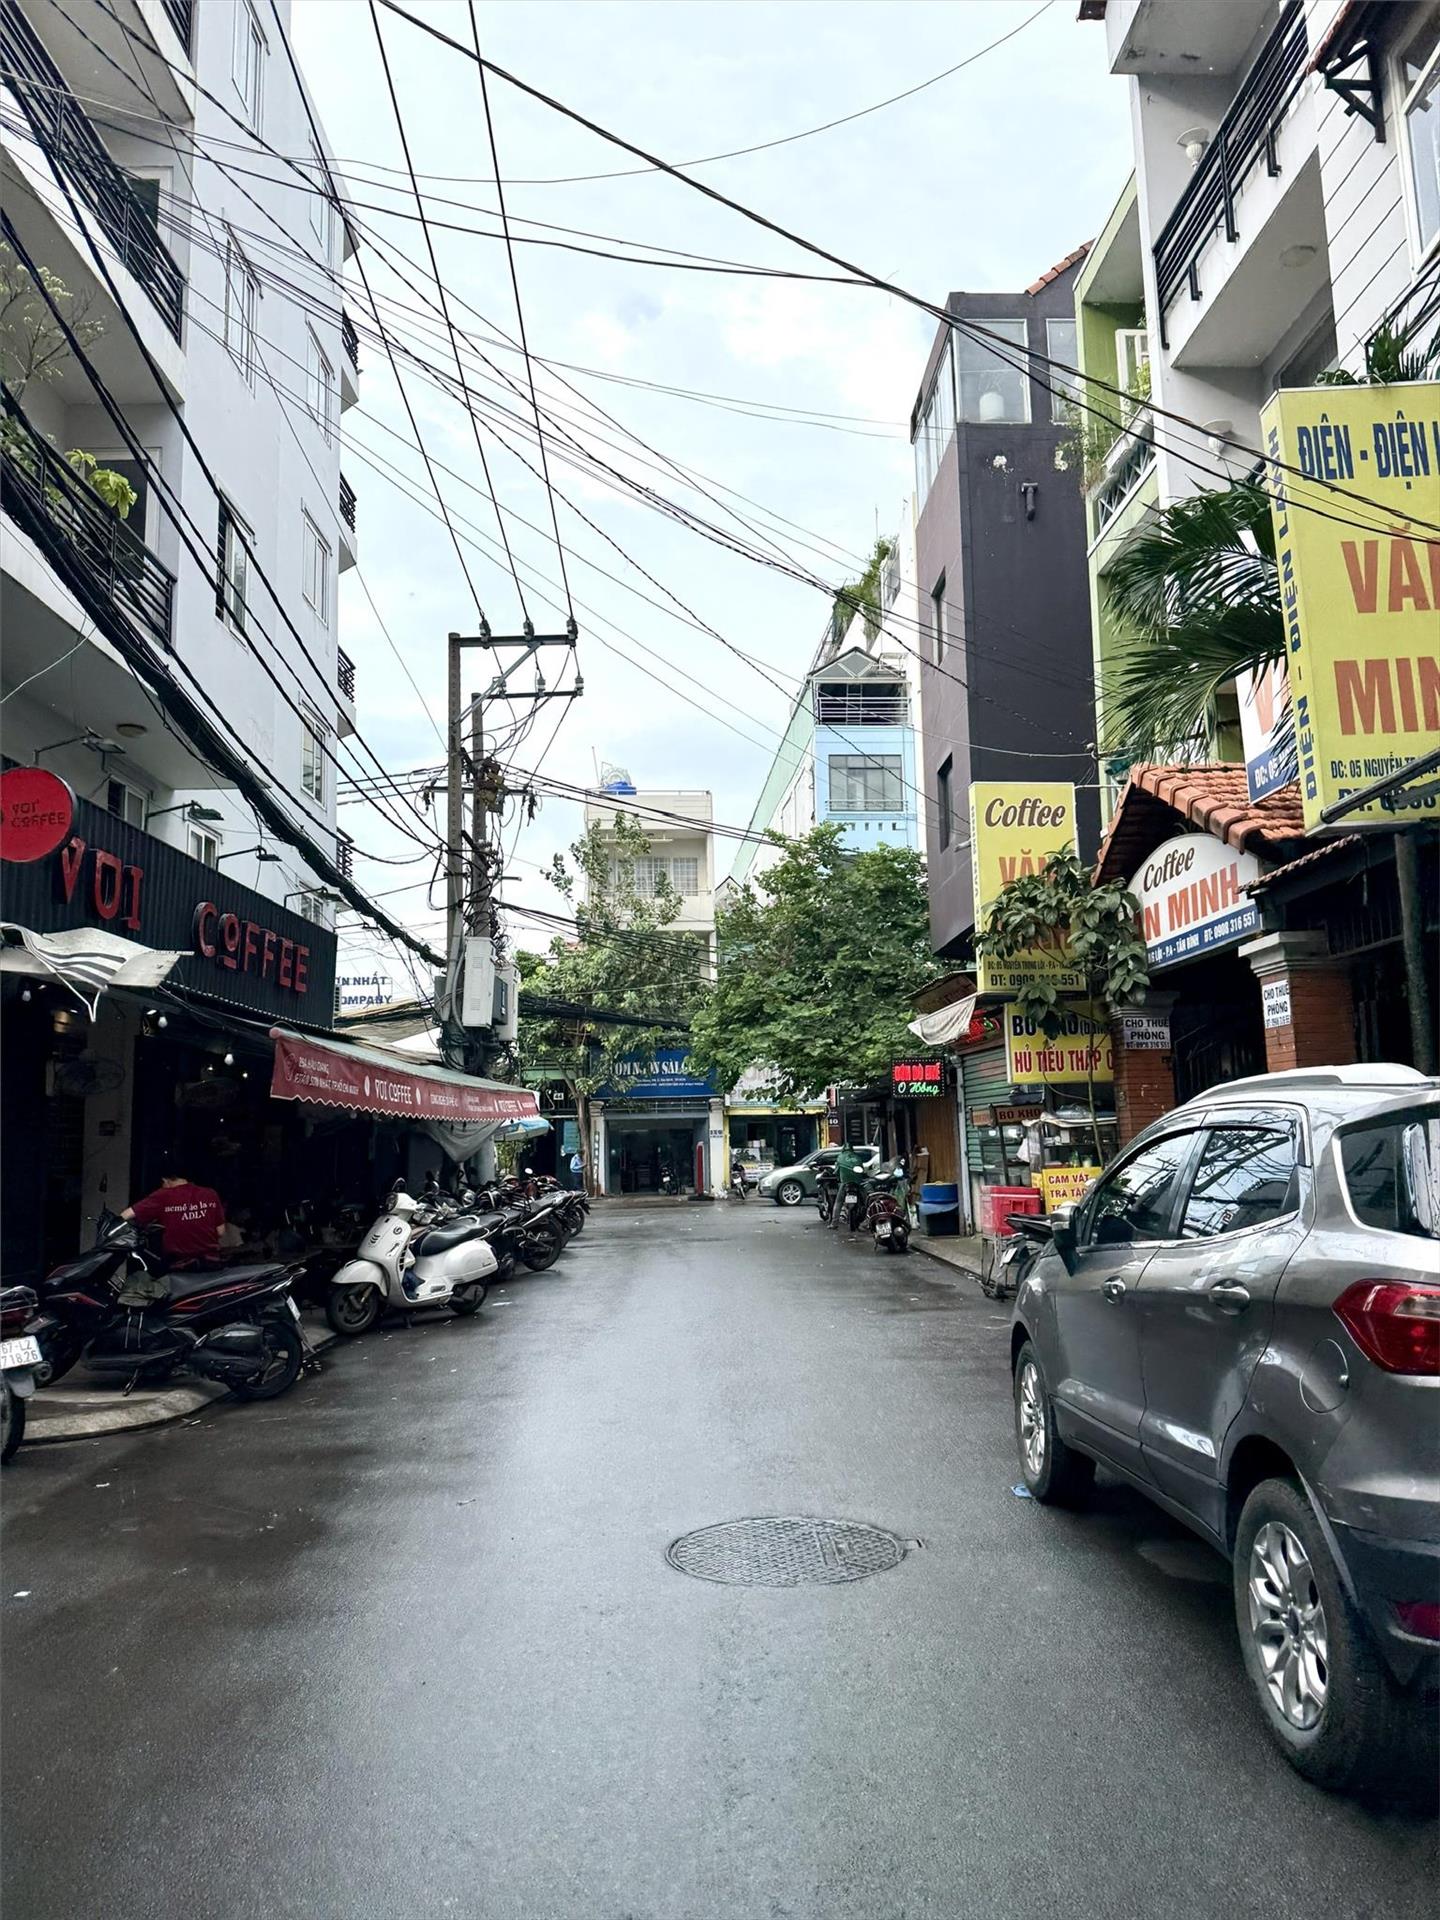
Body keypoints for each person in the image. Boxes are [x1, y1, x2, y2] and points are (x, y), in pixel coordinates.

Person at [123, 1162, 225, 1268]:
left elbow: (127, 1214)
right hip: (212, 1263)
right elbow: (220, 1231)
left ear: (165, 1180)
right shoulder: (210, 1194)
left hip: (181, 1266)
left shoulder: (163, 1195)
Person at [833, 1142, 864, 1231]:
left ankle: (834, 1223)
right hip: (857, 1182)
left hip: (845, 1183)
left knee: (838, 1202)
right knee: (864, 1200)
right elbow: (862, 1170)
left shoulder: (840, 1157)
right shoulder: (857, 1157)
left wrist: (837, 1177)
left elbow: (836, 1171)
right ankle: (865, 1222)